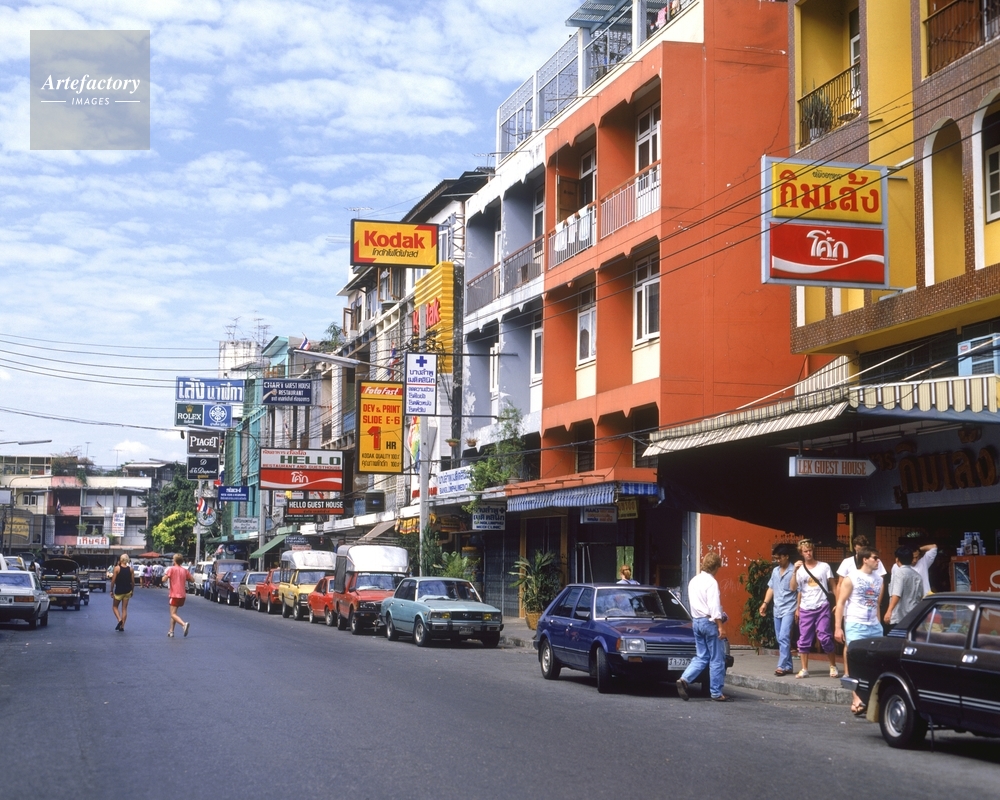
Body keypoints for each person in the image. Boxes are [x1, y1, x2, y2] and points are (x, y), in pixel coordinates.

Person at [835, 547, 885, 715]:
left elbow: (876, 603)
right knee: (855, 662)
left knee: (876, 662)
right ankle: (856, 698)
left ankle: (869, 697)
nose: (878, 561)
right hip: (855, 624)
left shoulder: (878, 579)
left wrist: (878, 623)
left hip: (874, 625)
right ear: (865, 559)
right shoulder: (852, 578)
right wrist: (838, 627)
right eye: (875, 558)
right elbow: (841, 603)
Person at [677, 551, 730, 702]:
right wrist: (720, 626)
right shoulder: (711, 582)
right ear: (716, 566)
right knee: (717, 658)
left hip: (696, 621)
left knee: (702, 656)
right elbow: (714, 607)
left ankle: (685, 679)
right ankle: (716, 692)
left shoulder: (693, 581)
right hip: (709, 622)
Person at [790, 539, 839, 679]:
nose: (808, 553)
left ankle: (833, 665)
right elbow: (794, 588)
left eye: (810, 550)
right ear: (801, 553)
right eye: (805, 551)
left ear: (813, 550)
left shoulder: (824, 566)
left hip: (822, 605)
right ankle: (804, 669)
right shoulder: (799, 570)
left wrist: (838, 603)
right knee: (804, 639)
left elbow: (833, 586)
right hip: (806, 607)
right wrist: (794, 571)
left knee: (825, 637)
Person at [759, 543, 797, 676]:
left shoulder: (794, 571)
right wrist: (765, 603)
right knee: (780, 638)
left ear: (786, 556)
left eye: (779, 558)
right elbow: (771, 588)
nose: (777, 560)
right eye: (776, 558)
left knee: (784, 636)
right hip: (777, 609)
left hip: (789, 609)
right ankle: (789, 666)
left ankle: (781, 666)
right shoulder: (775, 571)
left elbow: (797, 590)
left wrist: (798, 609)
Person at [885, 546, 923, 627]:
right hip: (913, 615)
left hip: (899, 617)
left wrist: (889, 611)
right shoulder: (917, 576)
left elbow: (896, 594)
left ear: (897, 559)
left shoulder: (899, 573)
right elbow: (920, 596)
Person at [163, 554, 193, 637]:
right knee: (174, 613)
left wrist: (166, 576)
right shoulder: (184, 570)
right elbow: (192, 580)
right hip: (182, 595)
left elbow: (163, 579)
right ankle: (171, 631)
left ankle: (184, 624)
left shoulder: (171, 569)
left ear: (174, 561)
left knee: (172, 614)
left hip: (174, 595)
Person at [111, 554, 134, 632]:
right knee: (124, 609)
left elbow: (113, 580)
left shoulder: (117, 568)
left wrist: (111, 590)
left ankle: (119, 620)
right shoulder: (131, 569)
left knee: (115, 607)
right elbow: (133, 582)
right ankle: (122, 626)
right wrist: (132, 590)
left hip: (119, 591)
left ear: (121, 560)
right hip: (127, 591)